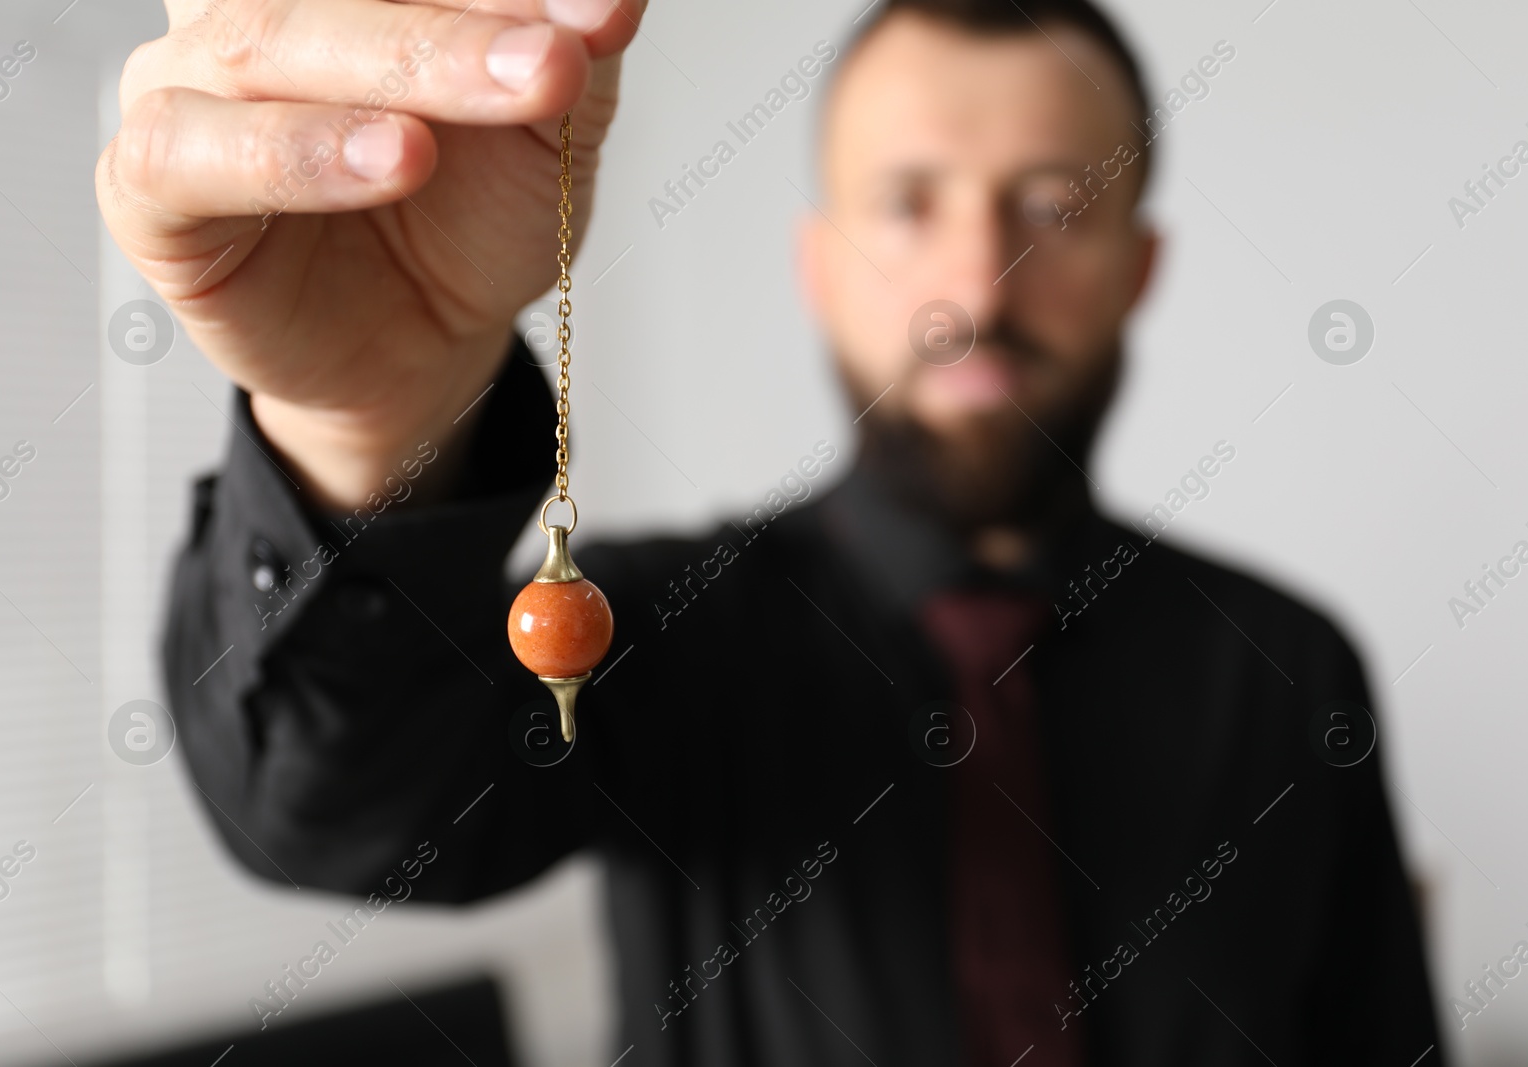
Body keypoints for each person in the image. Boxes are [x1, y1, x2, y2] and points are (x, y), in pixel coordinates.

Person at [99, 0, 1444, 1063]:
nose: (977, 282)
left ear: (1139, 267)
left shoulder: (1292, 671)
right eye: (911, 202)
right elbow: (323, 817)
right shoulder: (643, 639)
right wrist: (363, 431)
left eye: (1052, 207)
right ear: (818, 262)